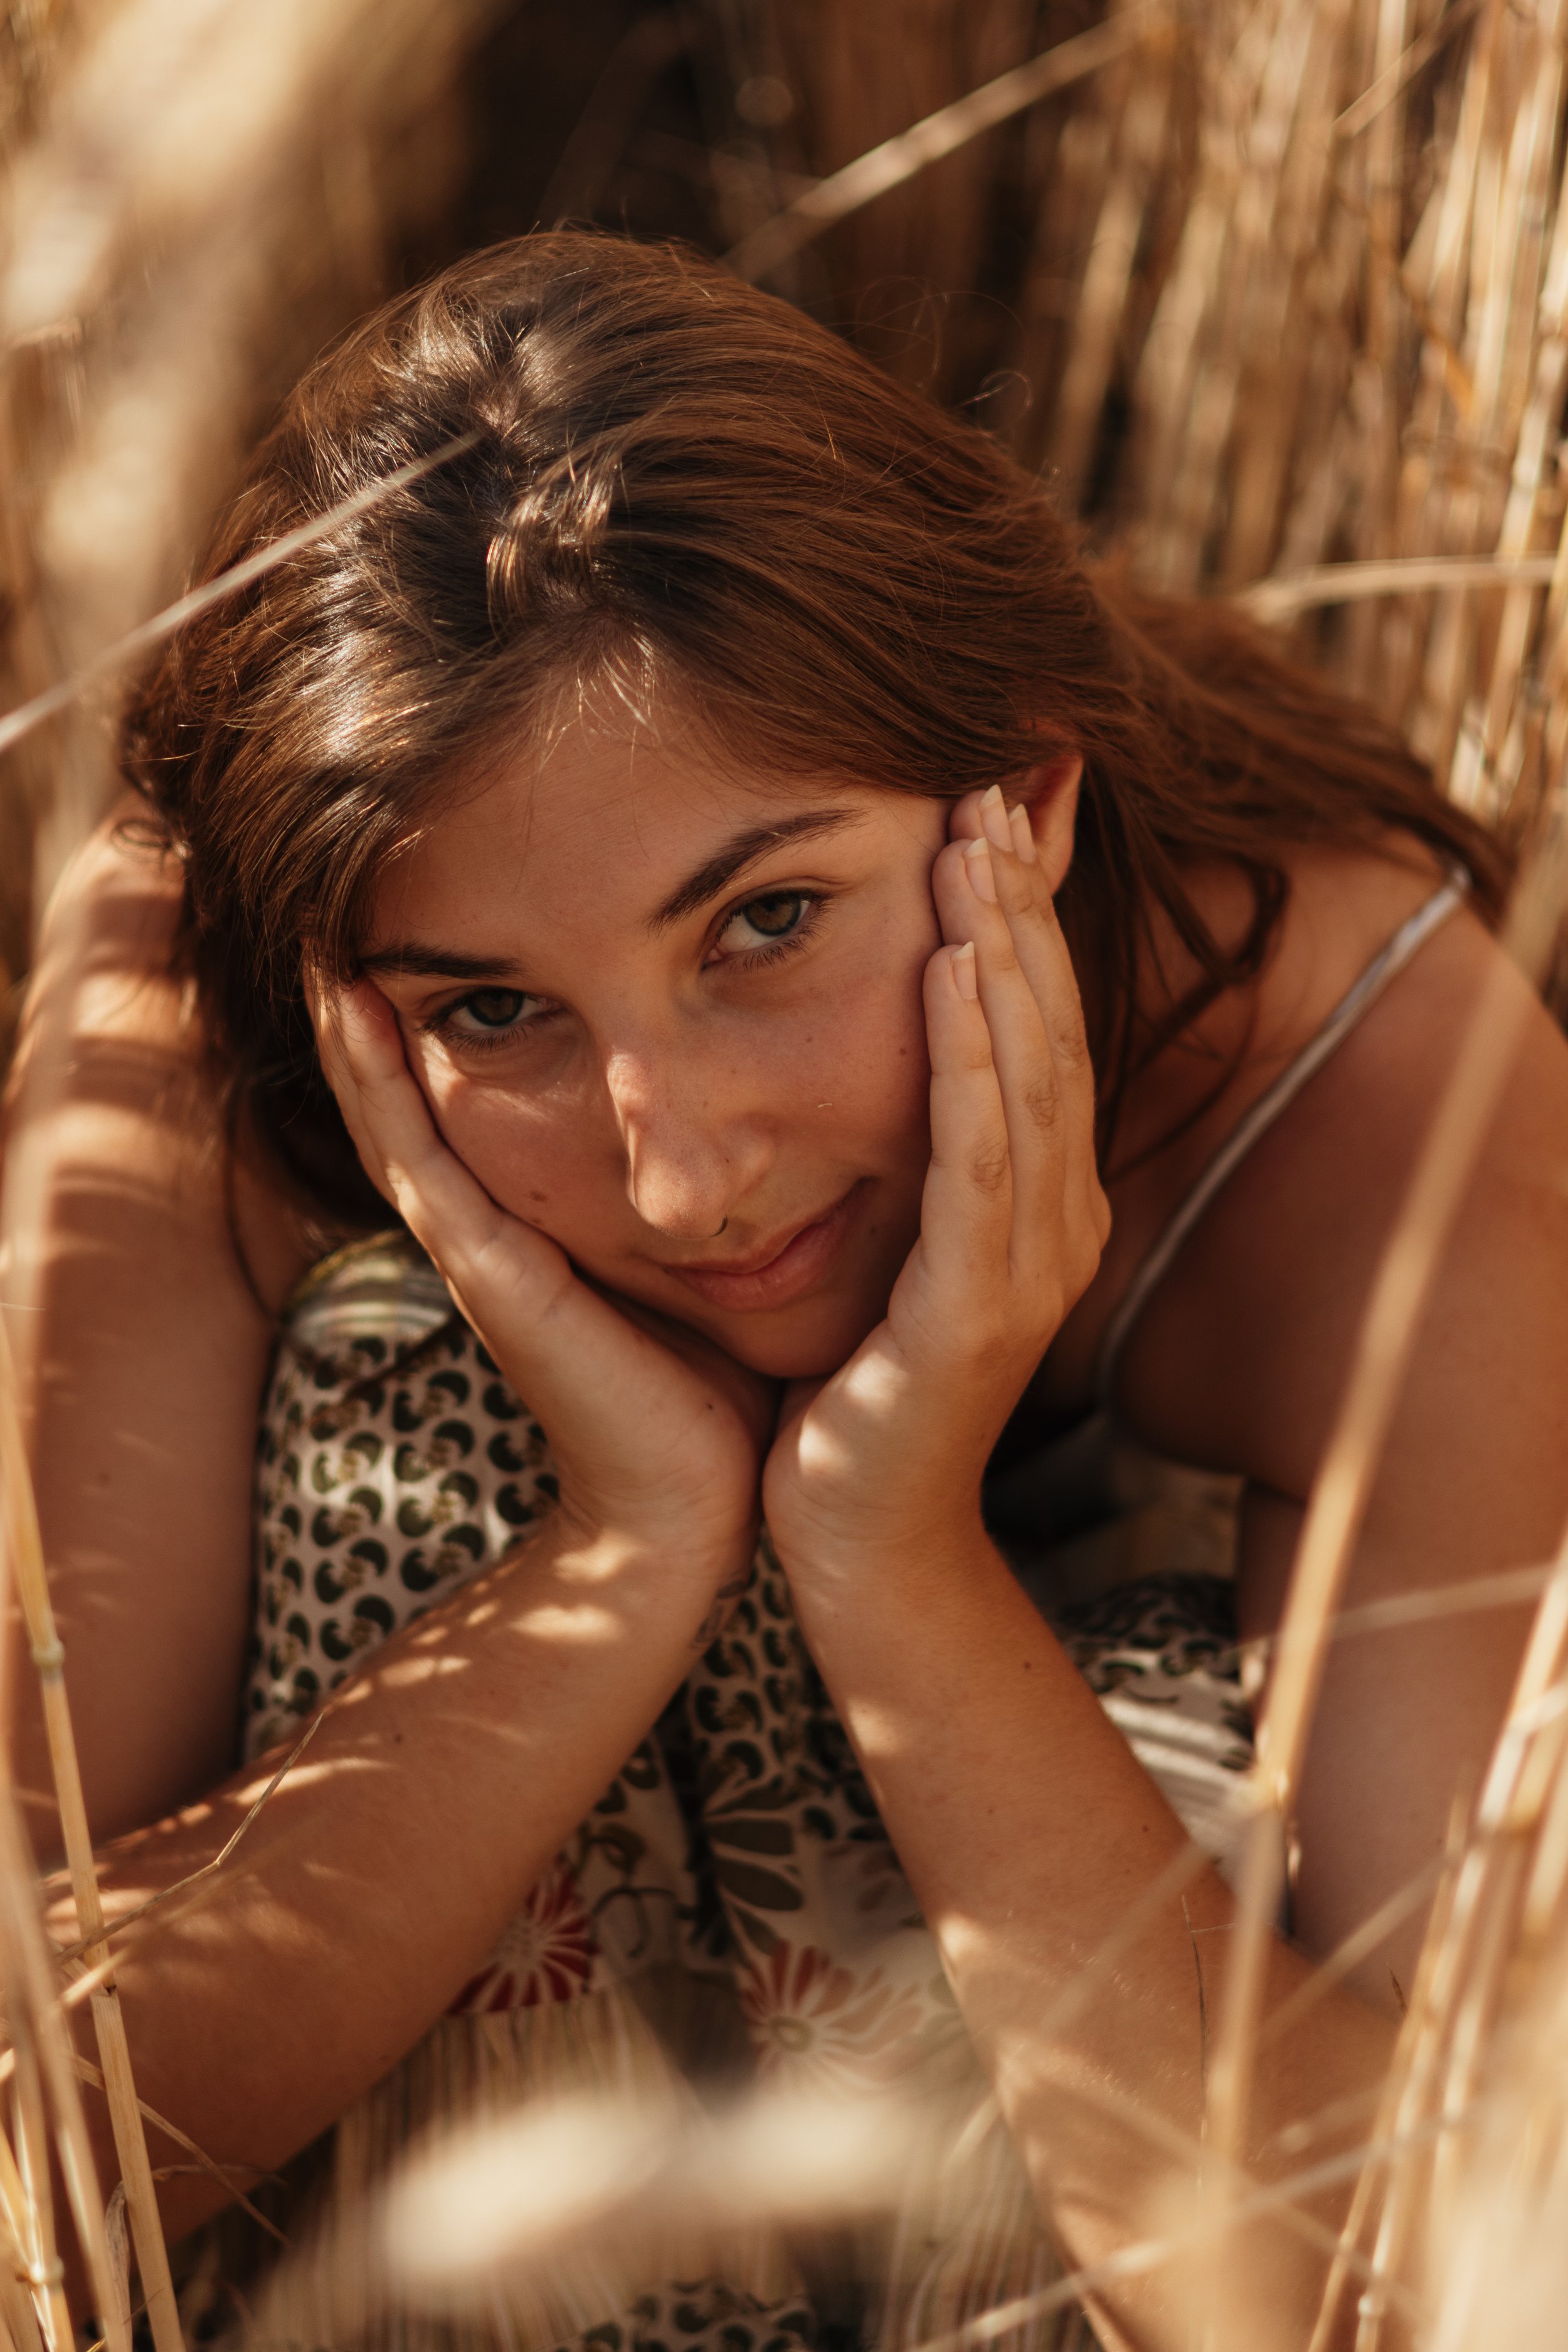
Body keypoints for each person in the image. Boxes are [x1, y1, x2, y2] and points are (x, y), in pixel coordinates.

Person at [6, 230, 1567, 2352]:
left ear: (1018, 798)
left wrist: (899, 1561)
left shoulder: (1375, 1110)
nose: (677, 1168)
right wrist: (618, 1542)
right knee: (398, 1383)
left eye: (764, 922)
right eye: (494, 1006)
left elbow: (1402, 2278)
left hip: (1051, 2070)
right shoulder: (202, 999)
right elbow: (31, 2142)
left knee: (1187, 1755)